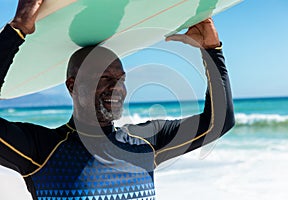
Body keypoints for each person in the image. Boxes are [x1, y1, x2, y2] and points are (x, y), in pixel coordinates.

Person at [0, 0, 235, 199]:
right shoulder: (43, 150)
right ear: (73, 86)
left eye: (120, 79)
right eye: (103, 78)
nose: (116, 88)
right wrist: (16, 30)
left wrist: (211, 51)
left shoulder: (146, 143)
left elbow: (219, 121)